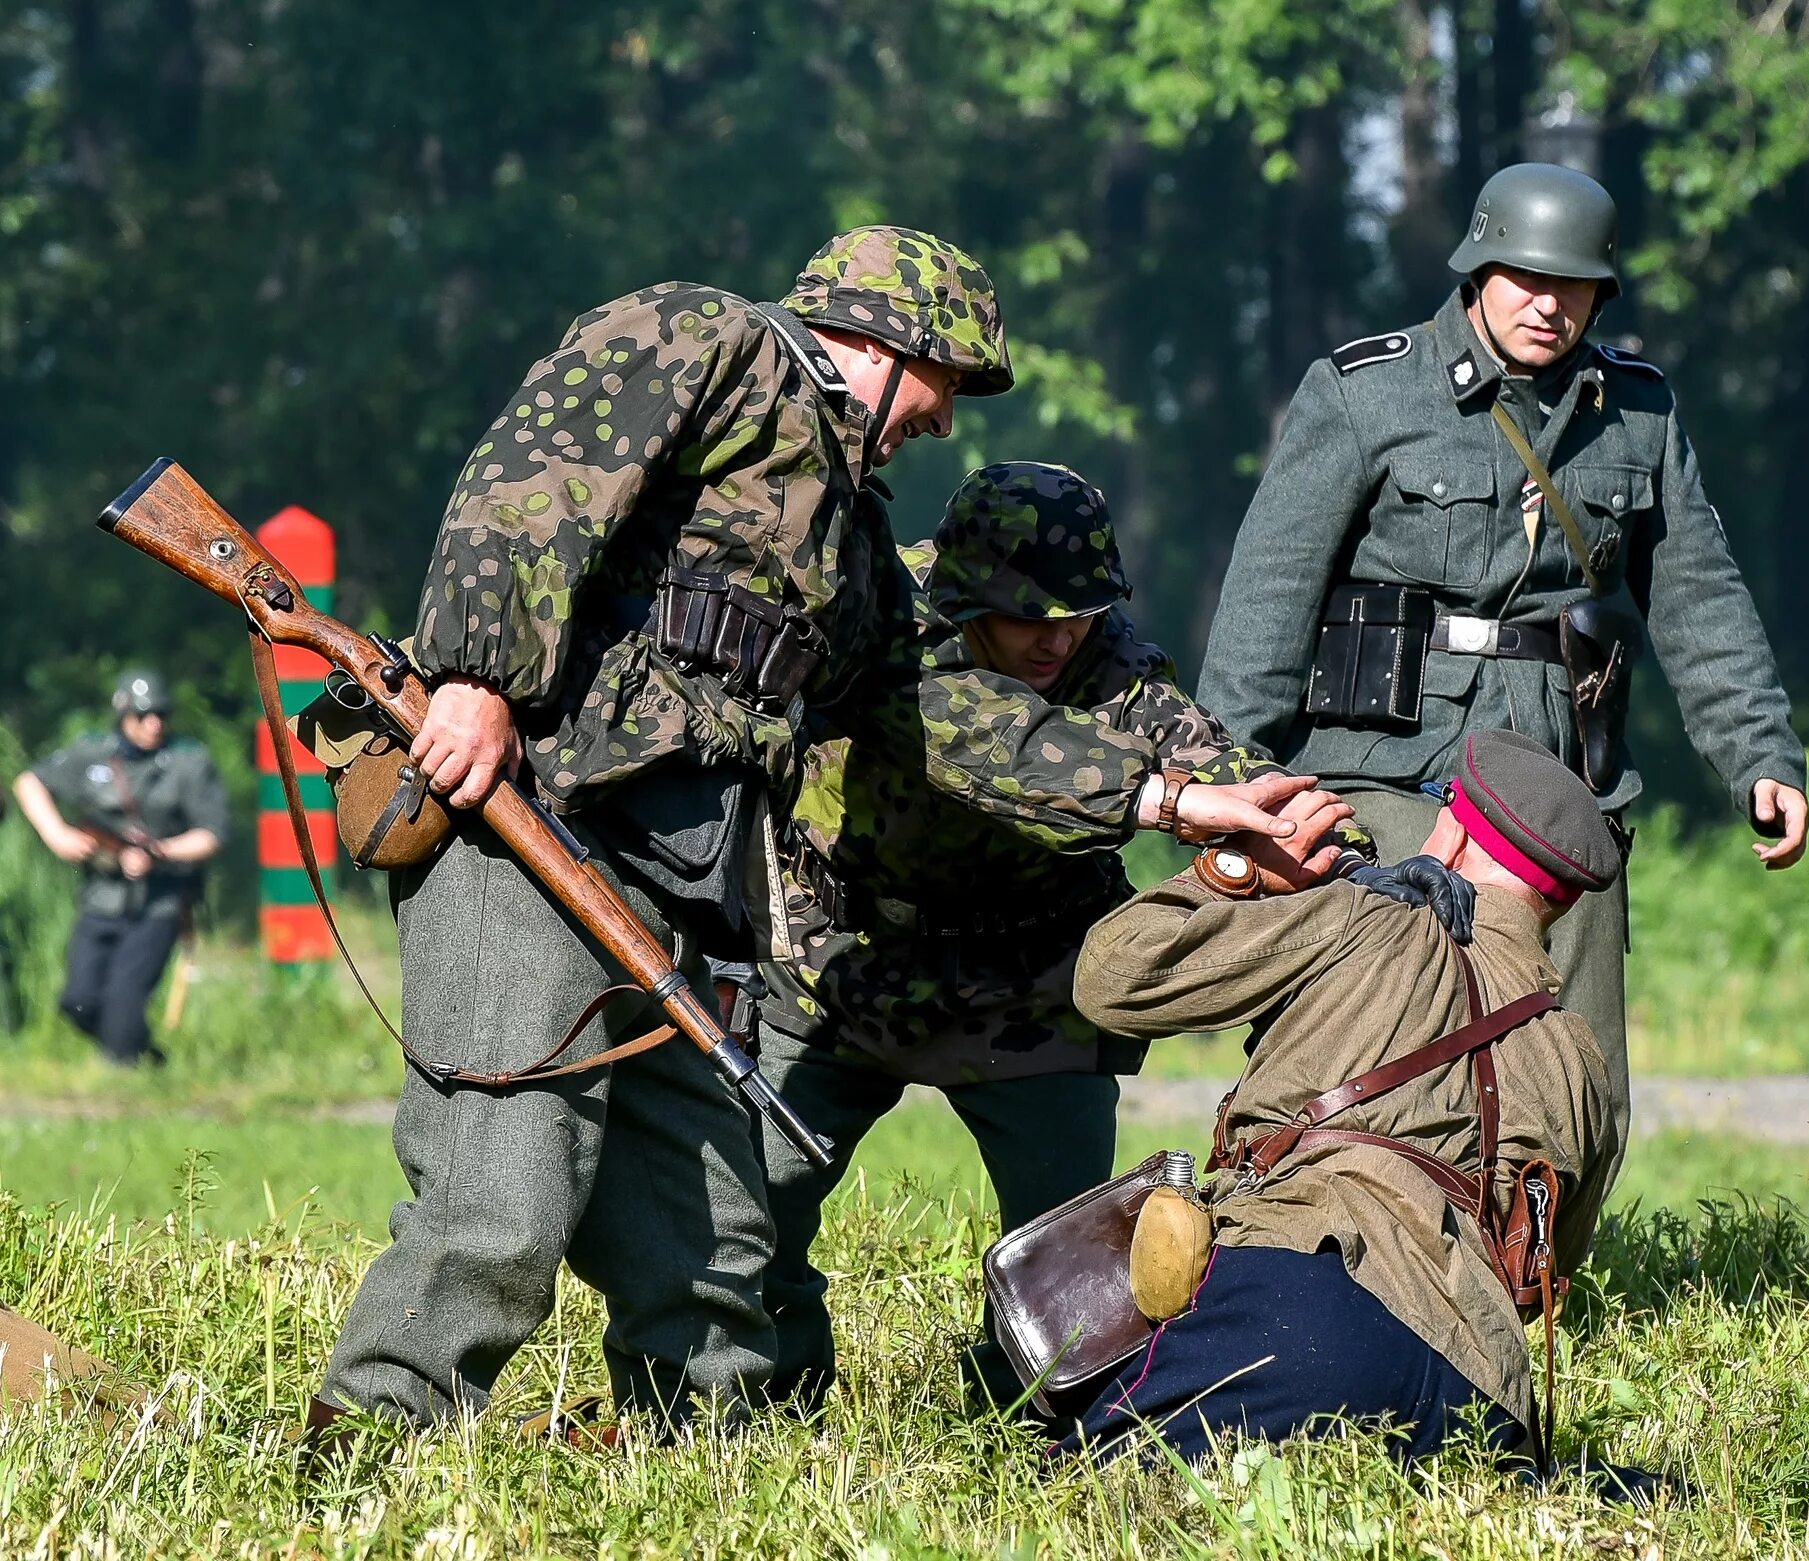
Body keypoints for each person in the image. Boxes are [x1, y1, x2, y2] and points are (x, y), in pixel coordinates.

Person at [312, 226, 1012, 1435]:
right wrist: (477, 678)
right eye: (949, 383)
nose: (944, 421)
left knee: (712, 1240)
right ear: (893, 339)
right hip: (532, 826)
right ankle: (369, 1444)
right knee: (500, 1200)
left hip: (683, 889)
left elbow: (929, 715)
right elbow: (534, 477)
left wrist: (1175, 795)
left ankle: (709, 1465)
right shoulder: (711, 335)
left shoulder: (848, 524)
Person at [1198, 161, 1809, 1103]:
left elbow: (1697, 593)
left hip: (1560, 766)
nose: (1548, 304)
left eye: (1573, 286)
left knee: (1580, 1056)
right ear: (1479, 269)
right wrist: (1230, 788)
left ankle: (1549, 1247)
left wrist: (1760, 753)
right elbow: (1268, 599)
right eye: (1526, 277)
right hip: (1386, 762)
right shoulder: (1369, 392)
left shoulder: (1638, 413)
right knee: (1390, 1039)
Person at [756, 460, 1334, 1407]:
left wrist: (1329, 840)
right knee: (757, 1203)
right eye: (1030, 614)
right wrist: (1173, 803)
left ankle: (1031, 1415)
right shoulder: (889, 618)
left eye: (1080, 613)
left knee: (1074, 1247)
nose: (1057, 638)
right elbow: (997, 744)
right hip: (845, 960)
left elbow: (1202, 746)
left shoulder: (1099, 649)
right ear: (971, 591)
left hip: (1031, 973)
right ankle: (771, 1395)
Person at [1062, 730, 1624, 1471]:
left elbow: (1110, 977)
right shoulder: (1580, 1059)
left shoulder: (1365, 917)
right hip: (1480, 1388)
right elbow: (1541, 1278)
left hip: (1306, 1301)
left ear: (1452, 840)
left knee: (1072, 1462)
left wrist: (1237, 867)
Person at [10, 670, 227, 1066]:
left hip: (159, 903)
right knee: (77, 1001)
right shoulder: (93, 753)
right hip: (101, 898)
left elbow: (212, 834)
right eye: (143, 715)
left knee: (122, 1010)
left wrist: (160, 852)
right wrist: (56, 833)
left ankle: (132, 1071)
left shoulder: (187, 762)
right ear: (123, 715)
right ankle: (143, 1053)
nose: (153, 724)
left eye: (161, 714)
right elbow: (29, 783)